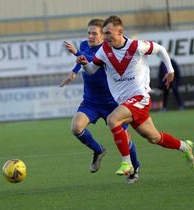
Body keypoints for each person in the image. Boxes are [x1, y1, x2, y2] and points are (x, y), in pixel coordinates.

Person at [78, 15, 194, 176]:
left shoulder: (136, 46)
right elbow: (91, 70)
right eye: (104, 33)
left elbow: (160, 49)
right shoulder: (104, 51)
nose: (105, 37)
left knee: (113, 119)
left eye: (108, 33)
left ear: (120, 32)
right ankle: (184, 146)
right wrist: (84, 64)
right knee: (154, 138)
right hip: (126, 102)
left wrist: (170, 70)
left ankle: (127, 164)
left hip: (140, 97)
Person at [60, 19, 141, 183]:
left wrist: (77, 53)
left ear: (103, 35)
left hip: (112, 102)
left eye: (94, 33)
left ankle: (135, 167)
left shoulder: (108, 49)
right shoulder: (84, 45)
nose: (90, 36)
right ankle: (98, 150)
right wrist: (74, 71)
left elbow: (92, 58)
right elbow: (84, 59)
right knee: (76, 127)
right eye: (89, 33)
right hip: (91, 100)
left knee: (126, 138)